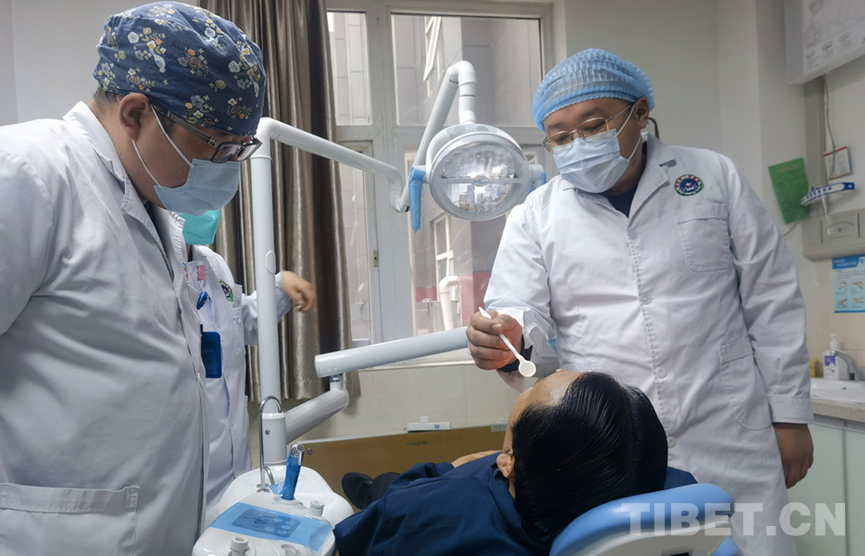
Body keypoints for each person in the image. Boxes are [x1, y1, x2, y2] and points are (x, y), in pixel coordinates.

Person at [466, 48, 813, 555]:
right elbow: (518, 310)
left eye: (593, 125)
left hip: (727, 427)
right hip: (608, 442)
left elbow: (772, 296)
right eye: (560, 137)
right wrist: (508, 336)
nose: (578, 143)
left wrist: (790, 415)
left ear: (640, 112)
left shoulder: (713, 176)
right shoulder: (536, 214)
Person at [0, 3, 265, 555]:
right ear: (136, 113)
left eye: (239, 150)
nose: (226, 167)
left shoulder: (154, 210)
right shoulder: (29, 172)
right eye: (215, 147)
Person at [334, 371, 670, 555]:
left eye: (535, 388)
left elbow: (352, 537)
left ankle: (373, 488)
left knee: (396, 487)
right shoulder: (674, 495)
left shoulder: (424, 512)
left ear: (507, 463)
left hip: (428, 496)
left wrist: (453, 475)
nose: (559, 369)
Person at [180, 210, 316, 524]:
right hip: (185, 477)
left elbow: (243, 324)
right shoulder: (149, 264)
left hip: (233, 469)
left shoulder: (214, 265)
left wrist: (280, 284)